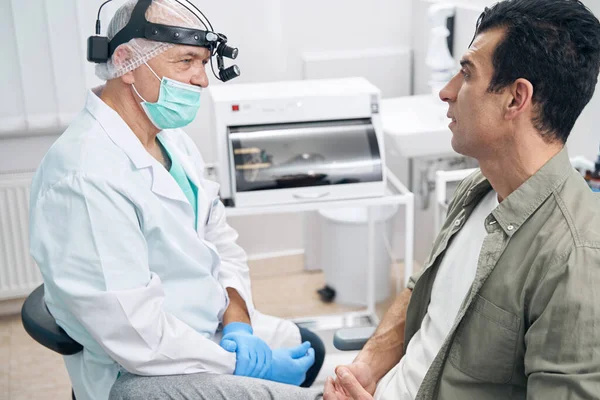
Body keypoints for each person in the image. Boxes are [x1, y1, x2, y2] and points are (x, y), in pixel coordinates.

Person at [28, 1, 324, 399]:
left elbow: (220, 242)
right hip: (140, 368)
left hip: (203, 323)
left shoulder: (173, 142)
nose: (201, 80)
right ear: (126, 62)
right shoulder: (84, 177)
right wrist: (242, 365)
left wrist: (238, 322)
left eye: (203, 62)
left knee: (313, 348)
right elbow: (136, 336)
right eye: (185, 61)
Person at [324, 0, 600, 399]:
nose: (446, 91)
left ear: (515, 99)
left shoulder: (575, 258)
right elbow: (424, 289)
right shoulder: (480, 188)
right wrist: (365, 367)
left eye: (467, 74)